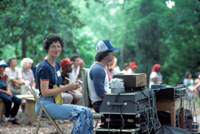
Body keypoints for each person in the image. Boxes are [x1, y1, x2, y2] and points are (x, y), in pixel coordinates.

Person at [35, 34, 93, 134]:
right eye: (53, 46)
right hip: (45, 105)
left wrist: (72, 86)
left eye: (58, 46)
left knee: (87, 111)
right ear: (47, 48)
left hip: (55, 101)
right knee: (82, 112)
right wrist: (66, 87)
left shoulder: (56, 64)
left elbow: (55, 85)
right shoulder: (44, 67)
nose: (56, 49)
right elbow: (45, 92)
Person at [88, 40, 119, 112]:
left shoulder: (101, 67)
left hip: (104, 102)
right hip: (101, 104)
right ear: (104, 55)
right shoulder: (98, 69)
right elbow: (101, 93)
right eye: (111, 52)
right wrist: (117, 98)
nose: (113, 54)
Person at [0, 60, 21, 126]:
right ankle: (6, 119)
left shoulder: (5, 75)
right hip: (1, 91)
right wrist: (6, 92)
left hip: (5, 91)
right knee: (8, 100)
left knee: (18, 100)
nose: (4, 68)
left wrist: (8, 91)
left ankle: (12, 117)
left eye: (5, 67)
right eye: (2, 67)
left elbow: (7, 85)